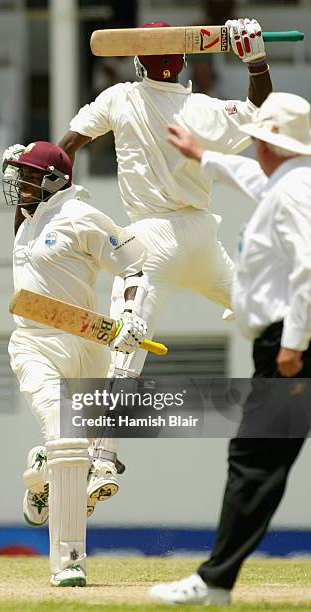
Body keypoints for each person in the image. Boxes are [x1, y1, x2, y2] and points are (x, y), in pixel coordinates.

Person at [56, 17, 273, 498]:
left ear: (138, 62)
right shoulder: (203, 106)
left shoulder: (119, 96)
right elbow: (260, 110)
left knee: (125, 351)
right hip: (202, 236)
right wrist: (255, 60)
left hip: (150, 238)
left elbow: (68, 146)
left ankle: (102, 460)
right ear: (184, 64)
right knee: (260, 309)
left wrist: (49, 195)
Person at [150, 91, 311, 605]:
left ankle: (215, 582)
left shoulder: (291, 194)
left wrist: (293, 344)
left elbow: (310, 269)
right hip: (293, 341)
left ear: (268, 144)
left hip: (292, 346)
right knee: (258, 461)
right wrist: (204, 155)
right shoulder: (288, 182)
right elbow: (252, 180)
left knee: (255, 461)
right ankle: (216, 579)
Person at [3, 141, 148, 586]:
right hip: (34, 343)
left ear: (54, 182)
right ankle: (69, 561)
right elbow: (25, 198)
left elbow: (134, 264)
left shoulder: (81, 217)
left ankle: (40, 474)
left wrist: (128, 316)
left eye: (27, 176)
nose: (17, 185)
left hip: (87, 346)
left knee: (79, 461)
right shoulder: (27, 218)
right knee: (67, 437)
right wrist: (22, 158)